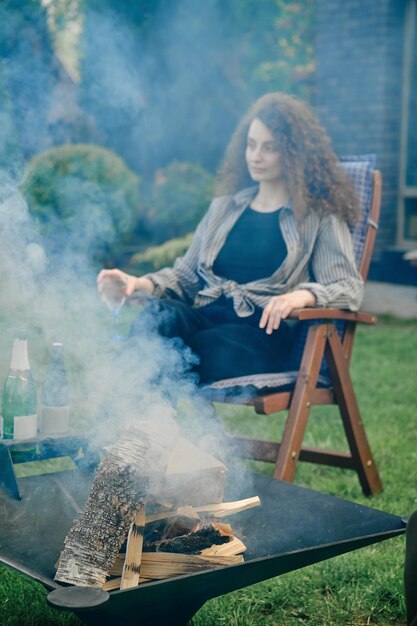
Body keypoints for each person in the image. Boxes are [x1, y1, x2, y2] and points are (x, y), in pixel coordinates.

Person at [97, 92, 363, 384]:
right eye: (251, 145)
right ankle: (145, 424)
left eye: (269, 148)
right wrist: (135, 284)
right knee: (157, 318)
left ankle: (146, 421)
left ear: (293, 154)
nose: (256, 156)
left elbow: (347, 286)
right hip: (203, 317)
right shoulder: (224, 208)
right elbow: (184, 278)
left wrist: (302, 296)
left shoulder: (319, 216)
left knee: (193, 351)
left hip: (257, 335)